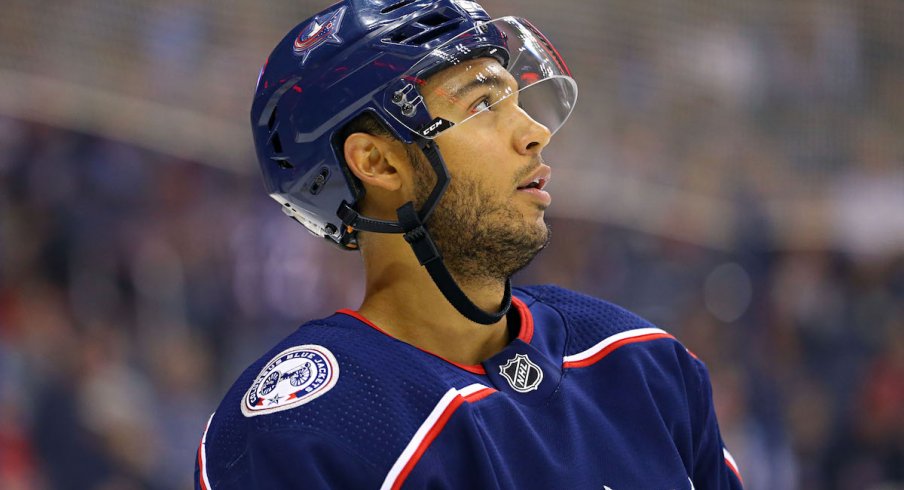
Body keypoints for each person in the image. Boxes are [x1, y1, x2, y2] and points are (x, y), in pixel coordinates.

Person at [196, 0, 744, 488]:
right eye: (482, 104)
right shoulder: (304, 426)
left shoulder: (640, 362)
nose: (534, 132)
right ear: (377, 162)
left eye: (516, 98)